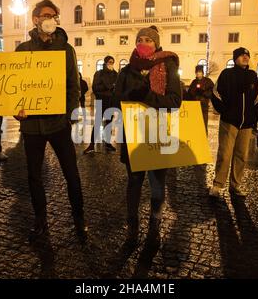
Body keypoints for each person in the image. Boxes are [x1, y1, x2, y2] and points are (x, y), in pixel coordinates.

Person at [14, 0, 87, 241]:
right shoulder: (23, 50)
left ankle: (79, 219)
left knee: (72, 174)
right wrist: (17, 109)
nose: (51, 19)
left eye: (55, 16)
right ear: (35, 19)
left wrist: (68, 116)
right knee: (34, 175)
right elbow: (16, 87)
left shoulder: (66, 50)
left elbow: (73, 87)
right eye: (47, 15)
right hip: (32, 127)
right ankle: (40, 219)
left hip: (58, 124)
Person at [113, 25, 182, 247]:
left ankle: (155, 226)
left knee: (157, 184)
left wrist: (147, 96)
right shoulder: (126, 70)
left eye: (148, 40)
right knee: (133, 183)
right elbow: (116, 101)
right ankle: (132, 227)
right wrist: (129, 97)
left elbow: (174, 101)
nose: (144, 43)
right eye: (140, 39)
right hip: (133, 134)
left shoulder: (167, 65)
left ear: (156, 43)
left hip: (158, 133)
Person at [209, 47, 258, 197]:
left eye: (247, 55)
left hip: (246, 124)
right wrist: (225, 111)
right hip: (229, 122)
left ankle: (235, 185)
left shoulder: (252, 75)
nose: (245, 57)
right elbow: (215, 93)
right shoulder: (227, 74)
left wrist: (253, 115)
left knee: (241, 156)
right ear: (235, 58)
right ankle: (218, 185)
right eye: (242, 55)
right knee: (225, 154)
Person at [83, 55, 118, 154]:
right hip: (101, 101)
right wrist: (109, 87)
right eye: (109, 62)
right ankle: (91, 145)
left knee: (109, 123)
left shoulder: (115, 74)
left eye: (112, 62)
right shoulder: (99, 74)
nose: (111, 64)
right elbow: (95, 88)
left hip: (110, 102)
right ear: (105, 62)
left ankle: (107, 143)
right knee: (97, 123)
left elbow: (117, 88)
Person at [187, 64, 214, 132]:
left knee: (203, 124)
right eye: (197, 72)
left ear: (202, 73)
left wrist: (204, 92)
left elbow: (212, 92)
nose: (198, 74)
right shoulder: (194, 82)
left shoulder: (208, 81)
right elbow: (189, 94)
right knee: (195, 125)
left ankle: (204, 138)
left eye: (200, 72)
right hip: (195, 107)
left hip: (204, 107)